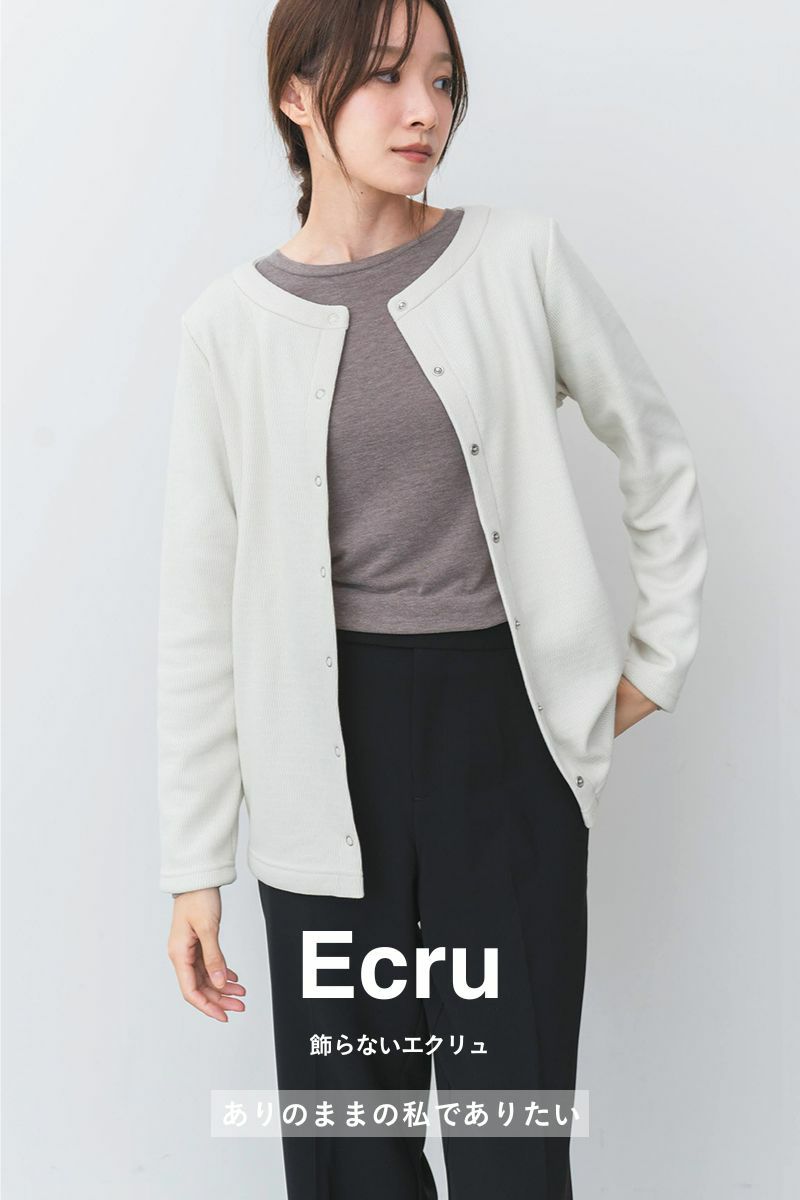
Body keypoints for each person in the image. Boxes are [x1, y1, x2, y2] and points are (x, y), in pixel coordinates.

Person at [158, 0, 708, 1195]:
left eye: (443, 80)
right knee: (349, 1150)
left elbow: (654, 451)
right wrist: (194, 865)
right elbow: (198, 610)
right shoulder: (226, 330)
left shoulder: (518, 260)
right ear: (295, 95)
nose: (425, 112)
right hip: (318, 755)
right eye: (385, 77)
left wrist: (652, 662)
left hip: (500, 743)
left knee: (510, 1141)